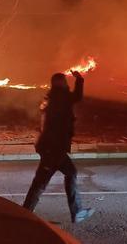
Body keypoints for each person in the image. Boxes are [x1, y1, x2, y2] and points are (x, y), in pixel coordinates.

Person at [22, 70, 94, 223]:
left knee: (47, 180)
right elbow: (77, 97)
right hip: (53, 149)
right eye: (65, 81)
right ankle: (76, 212)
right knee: (44, 181)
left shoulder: (51, 97)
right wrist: (79, 79)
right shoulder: (61, 98)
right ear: (62, 83)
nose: (67, 84)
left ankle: (27, 212)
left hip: (50, 147)